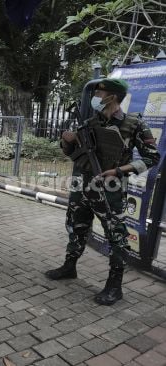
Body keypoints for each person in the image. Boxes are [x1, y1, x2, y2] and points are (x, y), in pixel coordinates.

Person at [45, 78, 160, 306]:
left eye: (99, 92)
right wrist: (66, 142)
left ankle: (114, 286)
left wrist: (118, 171)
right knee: (76, 226)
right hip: (82, 185)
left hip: (111, 189)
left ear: (112, 96)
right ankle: (70, 267)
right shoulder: (89, 122)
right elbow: (73, 153)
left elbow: (152, 157)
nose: (95, 97)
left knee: (115, 236)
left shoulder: (134, 123)